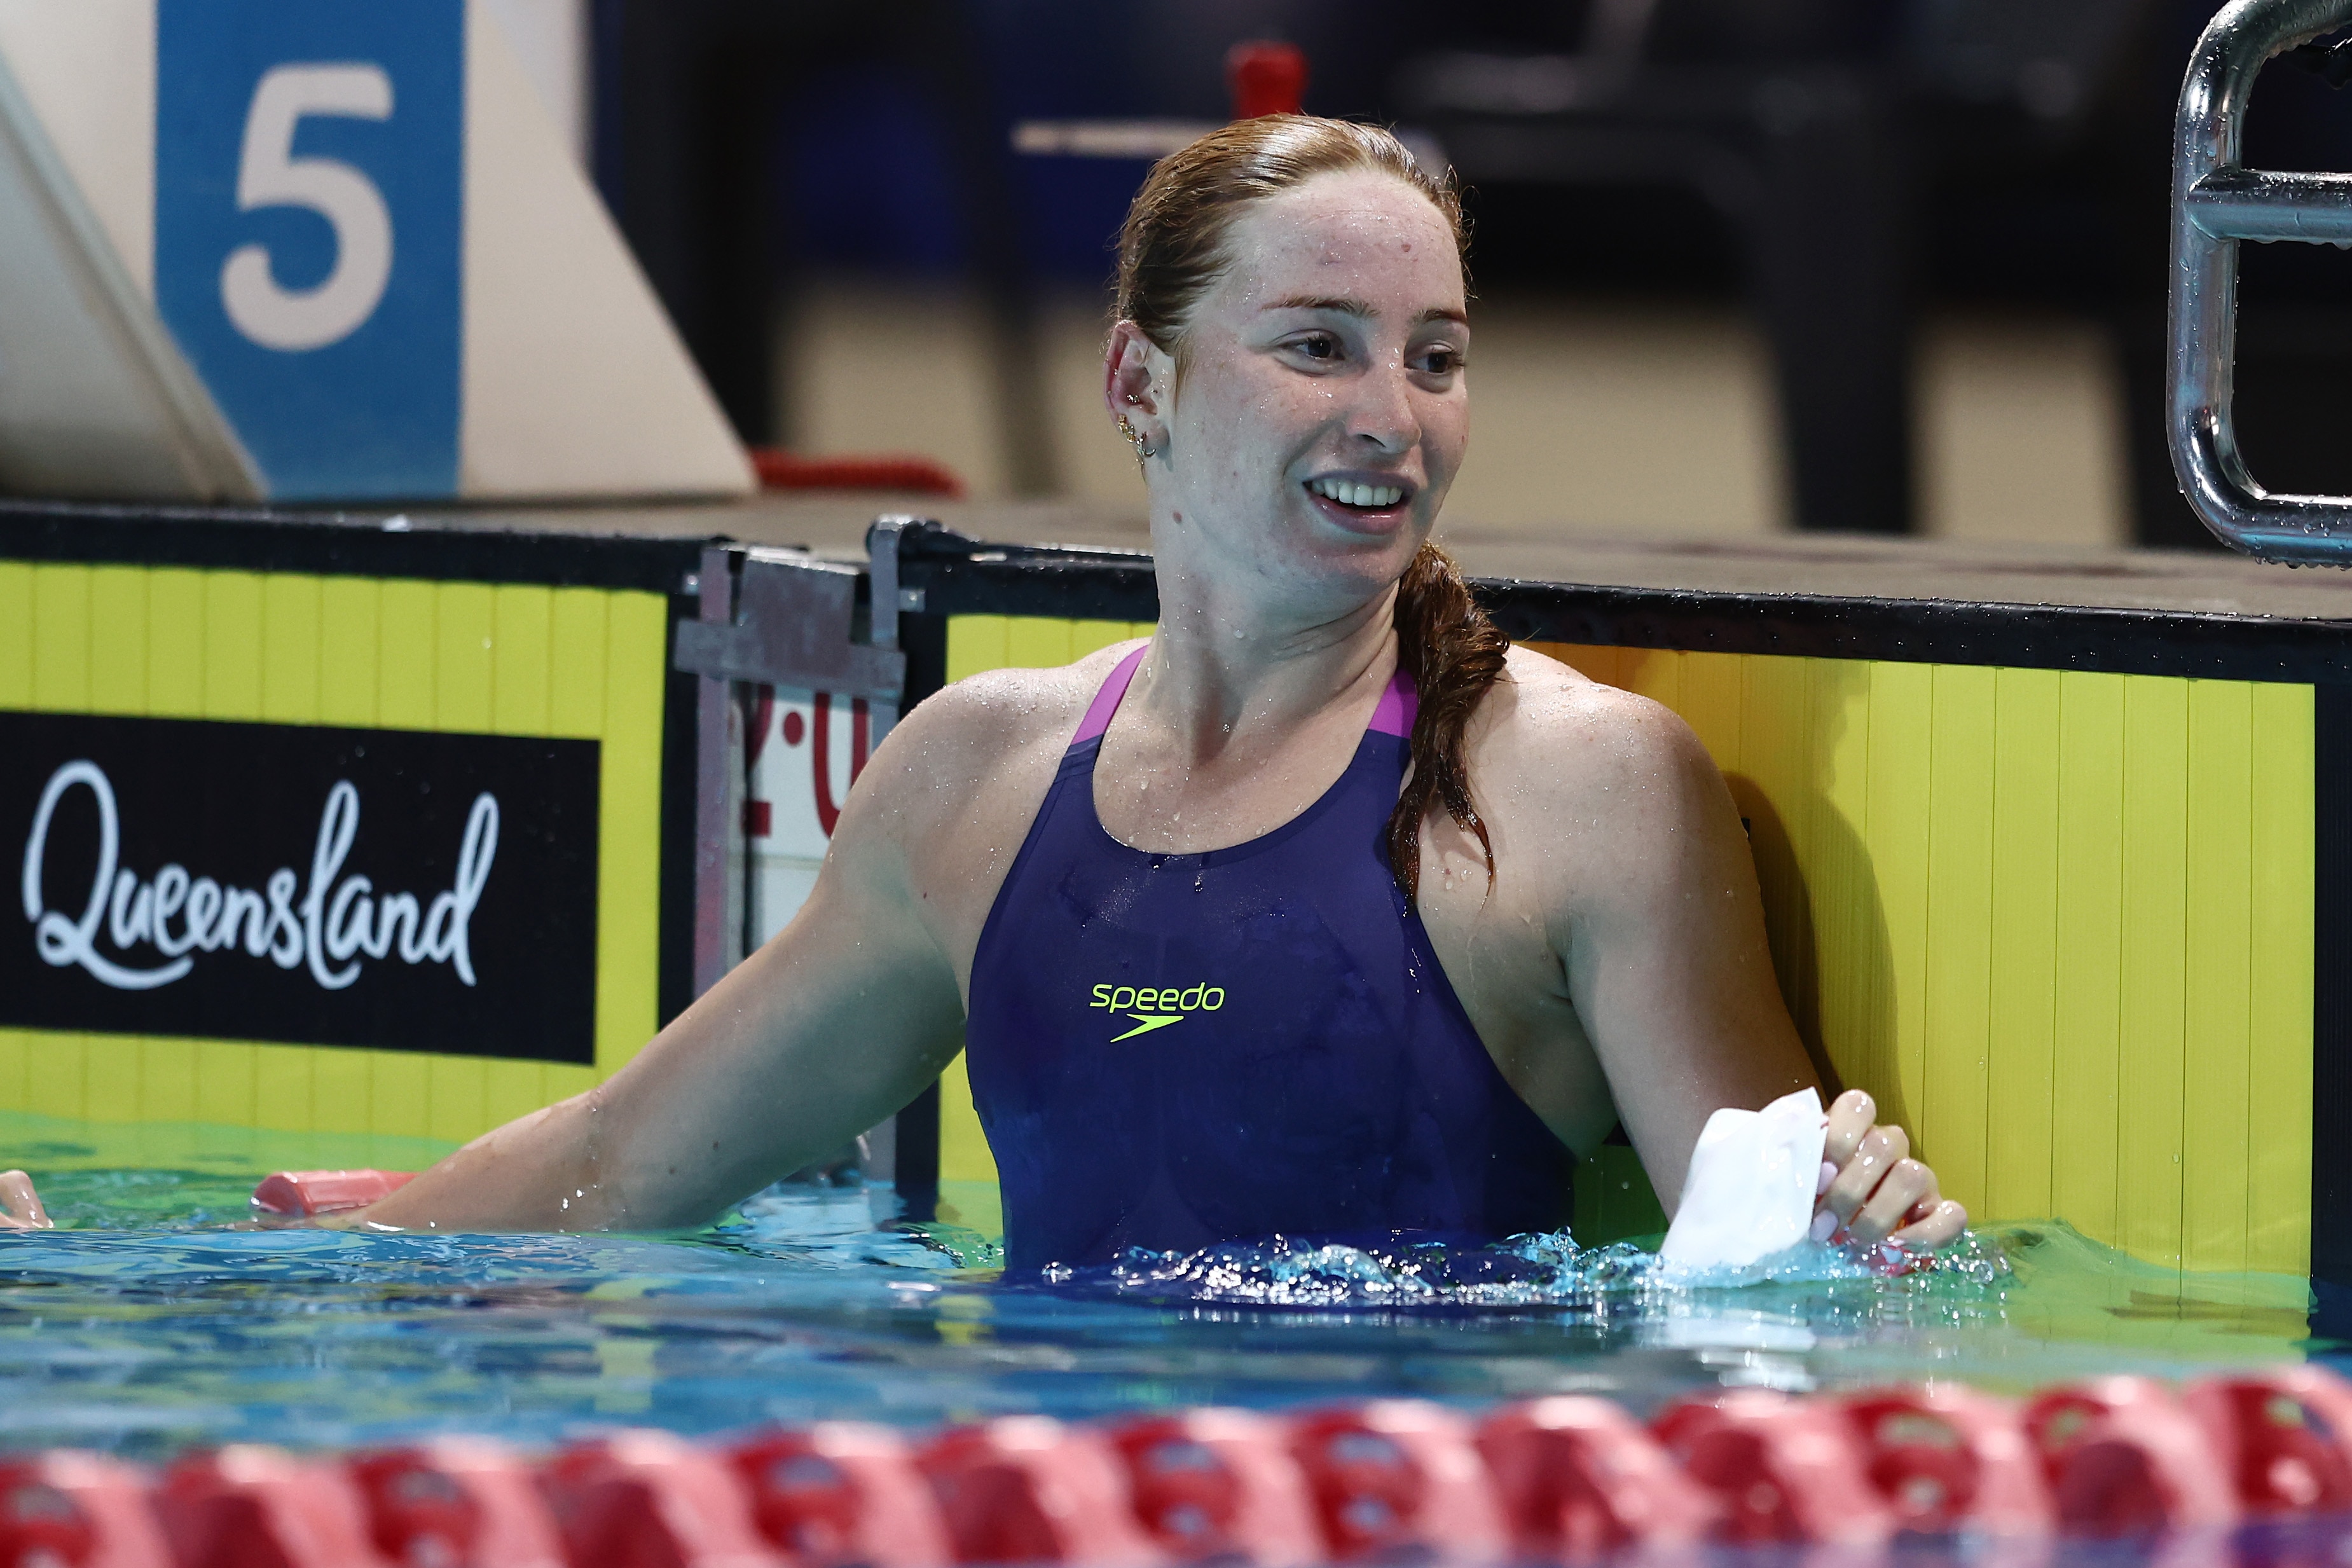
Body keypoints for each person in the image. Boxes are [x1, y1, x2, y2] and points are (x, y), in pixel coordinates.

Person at [0, 117, 1963, 1263]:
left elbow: (1756, 1309)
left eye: (1432, 355)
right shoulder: (976, 780)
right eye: (1317, 346)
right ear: (1140, 386)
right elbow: (633, 1149)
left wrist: (1865, 1247)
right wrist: (286, 1256)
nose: (1393, 421)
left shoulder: (1579, 788)